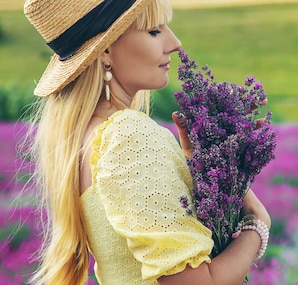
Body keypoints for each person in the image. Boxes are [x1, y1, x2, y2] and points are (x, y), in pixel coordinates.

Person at [23, 0, 271, 284]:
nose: (175, 43)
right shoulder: (130, 136)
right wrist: (256, 224)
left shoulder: (86, 138)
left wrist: (215, 171)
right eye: (154, 31)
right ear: (105, 49)